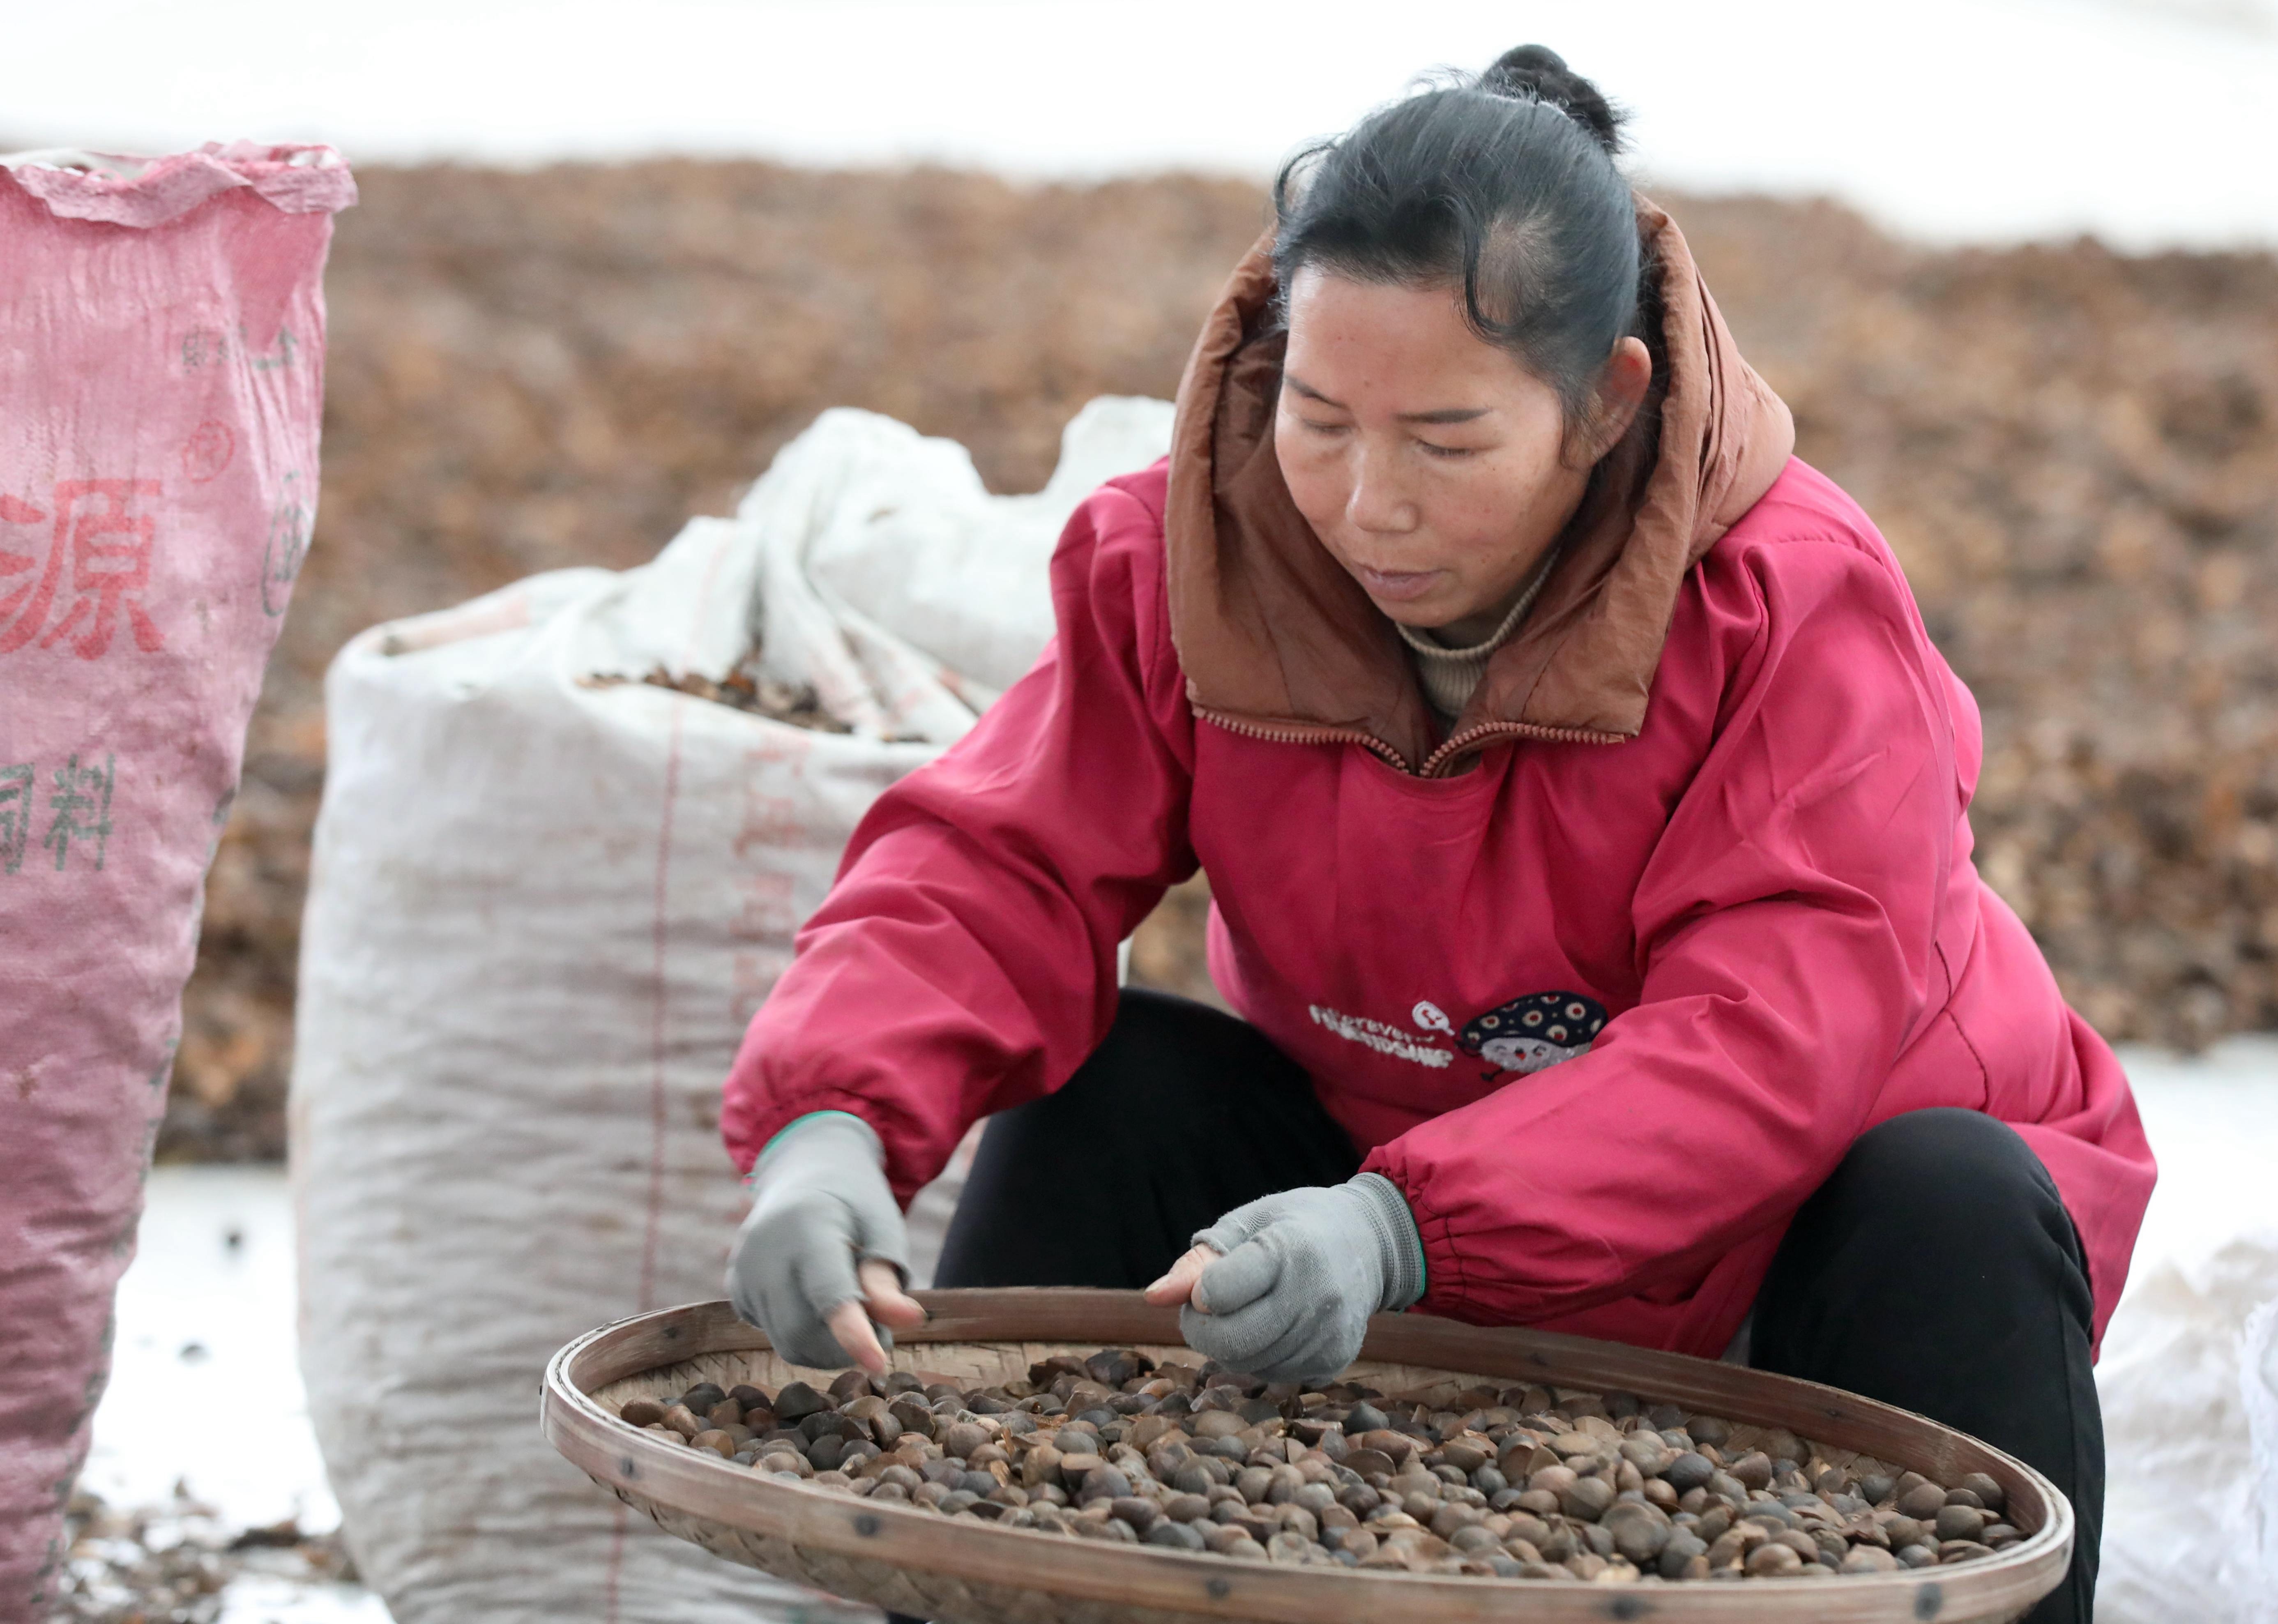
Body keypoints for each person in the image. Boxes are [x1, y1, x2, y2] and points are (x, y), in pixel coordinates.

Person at [721, 46, 2153, 1619]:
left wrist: (1405, 1228)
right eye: (1320, 419)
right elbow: (1000, 857)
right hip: (1396, 1168)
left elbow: (1770, 1040)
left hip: (1805, 1228)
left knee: (1946, 1198)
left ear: (1606, 401)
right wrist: (830, 1120)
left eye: (1445, 443)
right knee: (1109, 1091)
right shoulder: (1191, 561)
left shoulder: (1791, 603)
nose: (1365, 504)